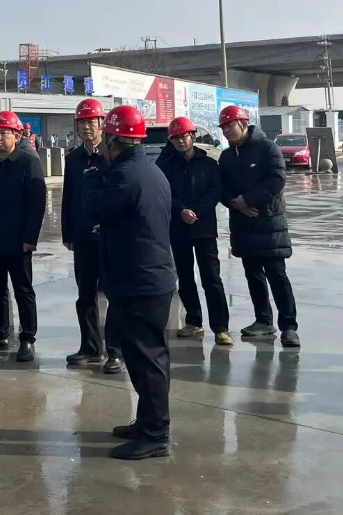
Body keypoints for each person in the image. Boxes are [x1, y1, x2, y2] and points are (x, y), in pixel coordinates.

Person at [82, 105, 175, 460]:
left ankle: (155, 434)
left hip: (140, 280)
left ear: (113, 140)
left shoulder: (124, 175)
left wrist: (92, 173)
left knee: (148, 360)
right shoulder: (148, 170)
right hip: (147, 276)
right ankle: (148, 423)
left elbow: (93, 207)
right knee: (144, 358)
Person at [217, 105, 299, 347]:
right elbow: (220, 187)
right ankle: (263, 321)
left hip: (269, 224)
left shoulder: (267, 148)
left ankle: (289, 327)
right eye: (223, 127)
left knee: (277, 275)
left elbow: (277, 179)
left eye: (230, 125)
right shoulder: (227, 156)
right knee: (253, 275)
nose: (226, 130)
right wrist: (236, 204)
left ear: (243, 124)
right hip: (243, 224)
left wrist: (250, 200)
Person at [0, 110, 47, 362]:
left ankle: (27, 338)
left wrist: (30, 238)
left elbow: (37, 203)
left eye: (4, 133)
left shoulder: (28, 162)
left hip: (18, 241)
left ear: (16, 135)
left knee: (23, 290)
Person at [156, 116, 231, 345]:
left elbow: (215, 191)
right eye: (175, 138)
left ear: (193, 136)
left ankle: (221, 328)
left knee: (211, 278)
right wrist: (180, 210)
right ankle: (194, 322)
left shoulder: (209, 164)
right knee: (185, 277)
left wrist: (196, 211)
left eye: (184, 136)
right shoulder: (166, 165)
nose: (180, 141)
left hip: (204, 229)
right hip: (178, 229)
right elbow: (164, 192)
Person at [62, 98, 124, 373]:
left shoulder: (113, 155)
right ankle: (90, 347)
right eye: (82, 122)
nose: (86, 127)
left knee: (114, 294)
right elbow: (68, 197)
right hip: (83, 237)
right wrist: (68, 232)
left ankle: (116, 351)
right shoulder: (73, 159)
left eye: (91, 122)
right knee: (85, 295)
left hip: (110, 236)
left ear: (102, 124)